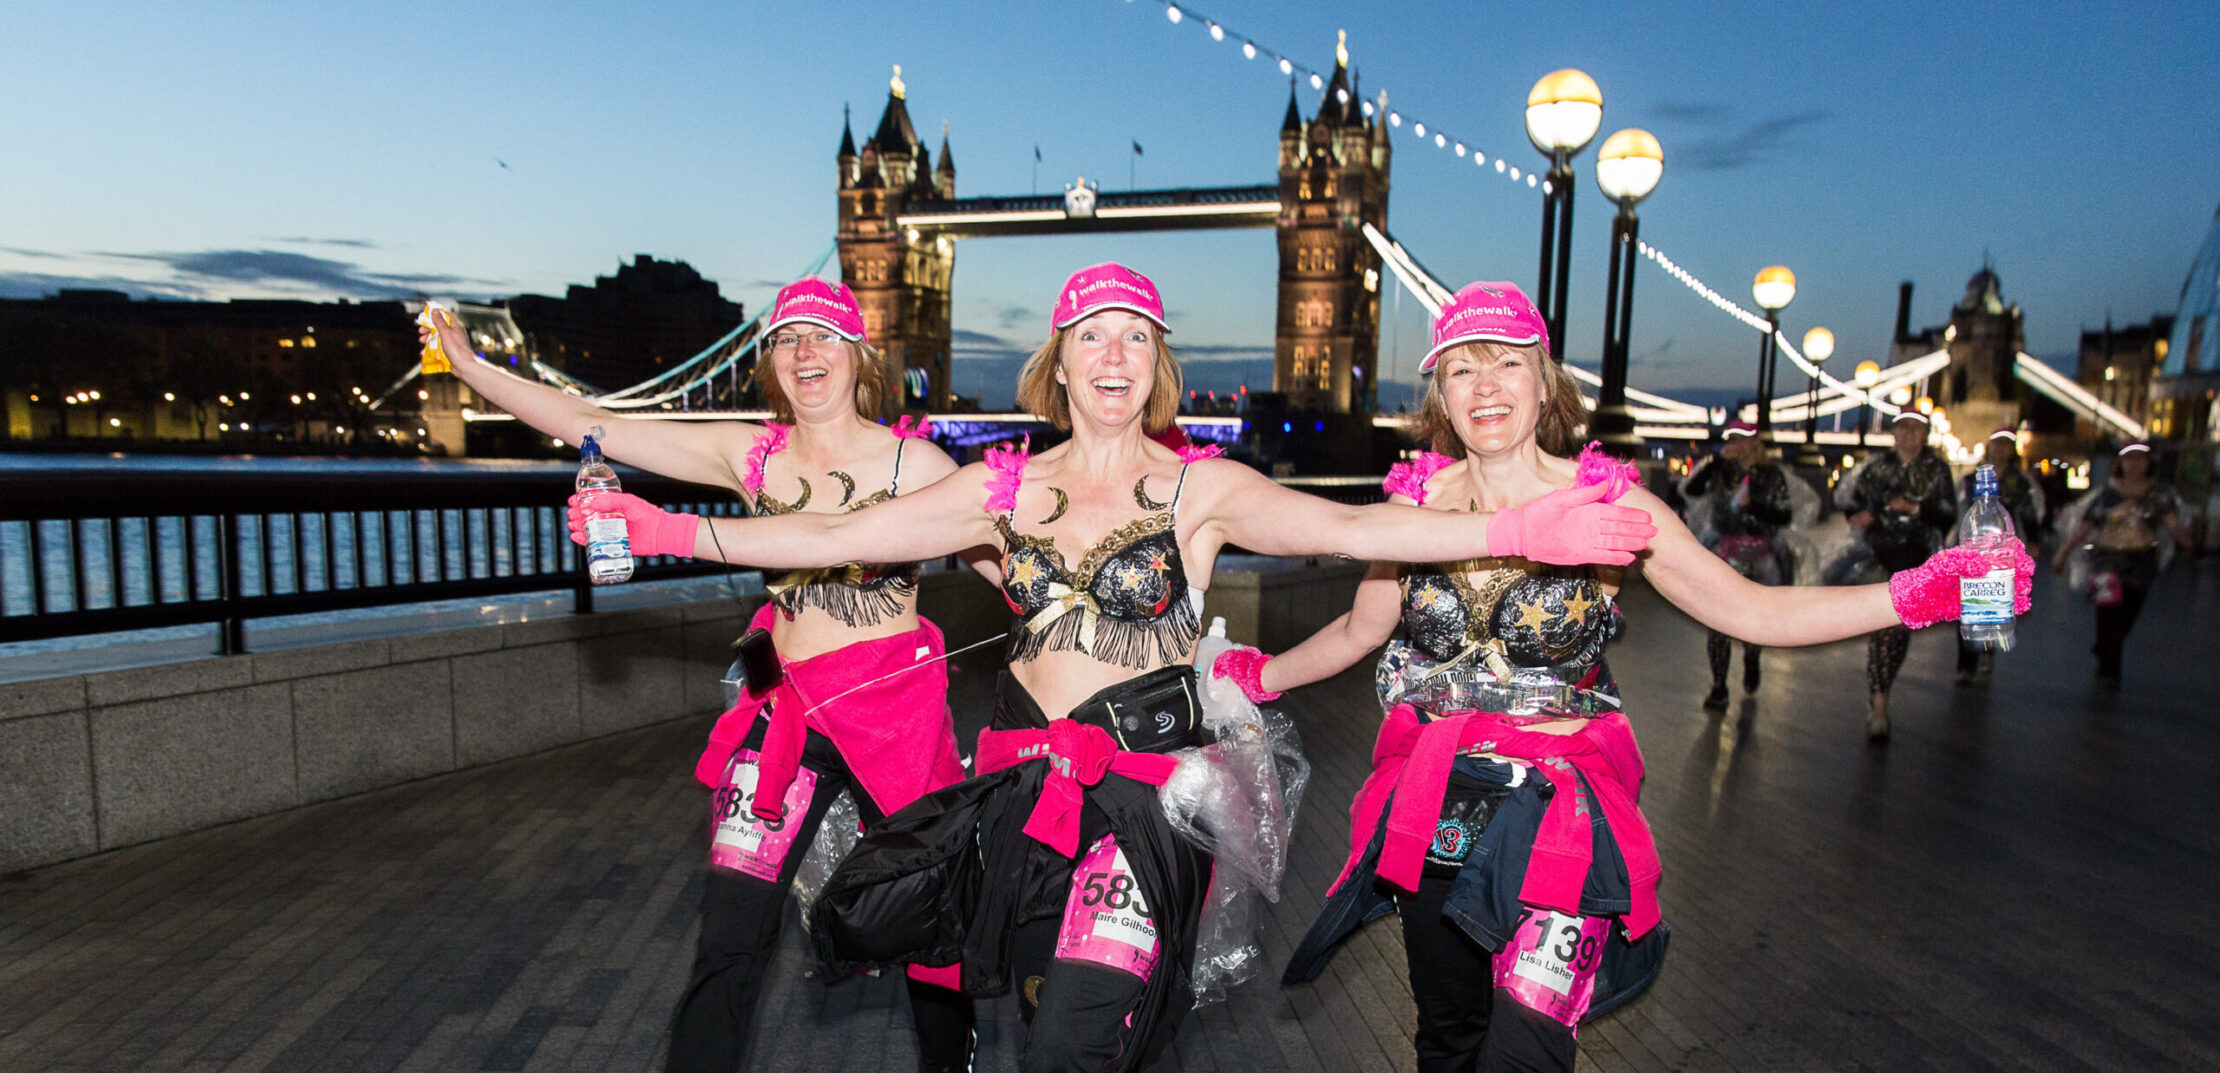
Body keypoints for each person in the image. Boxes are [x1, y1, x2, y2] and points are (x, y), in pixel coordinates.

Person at [562, 263, 1659, 1073]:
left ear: (1158, 364)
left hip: (1141, 804)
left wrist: (1524, 528)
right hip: (1022, 803)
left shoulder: (1200, 487)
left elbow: (1355, 527)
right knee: (1065, 1015)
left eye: (1137, 336)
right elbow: (828, 535)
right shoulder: (998, 489)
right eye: (1093, 335)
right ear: (1060, 363)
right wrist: (667, 529)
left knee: (1075, 1039)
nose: (1116, 355)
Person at [1244, 281, 2034, 1073]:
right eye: (1461, 369)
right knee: (1447, 1038)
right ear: (1440, 396)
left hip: (1555, 818)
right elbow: (1357, 630)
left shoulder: (1609, 505)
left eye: (1507, 363)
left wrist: (1919, 593)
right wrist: (1256, 674)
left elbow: (1752, 609)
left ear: (1545, 381)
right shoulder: (1414, 506)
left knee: (1526, 1052)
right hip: (1438, 802)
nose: (1484, 386)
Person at [423, 278, 983, 1073]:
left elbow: (1011, 565)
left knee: (930, 925)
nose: (805, 351)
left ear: (859, 355)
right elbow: (596, 424)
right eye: (787, 338)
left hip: (895, 718)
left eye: (824, 334)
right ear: (773, 360)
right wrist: (472, 367)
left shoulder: (918, 462)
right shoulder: (751, 452)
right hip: (786, 717)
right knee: (729, 935)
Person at [1833, 411, 1959, 740]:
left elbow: (1948, 514)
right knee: (1883, 631)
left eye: (1916, 429)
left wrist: (1914, 508)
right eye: (1904, 428)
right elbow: (1852, 505)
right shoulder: (1876, 468)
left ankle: (1880, 691)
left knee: (1898, 633)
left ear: (1925, 434)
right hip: (1879, 556)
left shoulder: (1937, 470)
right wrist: (1863, 516)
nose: (1909, 435)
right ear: (1894, 433)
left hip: (1916, 559)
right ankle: (1879, 707)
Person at [1677, 419, 1797, 710]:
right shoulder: (1722, 470)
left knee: (1753, 620)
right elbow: (1691, 489)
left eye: (1742, 438)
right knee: (1718, 621)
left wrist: (1751, 504)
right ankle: (1719, 687)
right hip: (1725, 551)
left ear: (1755, 442)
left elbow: (1784, 515)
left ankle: (1752, 655)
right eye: (1732, 439)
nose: (1737, 444)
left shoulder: (1771, 474)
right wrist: (1716, 461)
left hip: (1761, 554)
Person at [2053, 441, 2192, 688]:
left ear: (2149, 463)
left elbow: (2171, 523)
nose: (2134, 464)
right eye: (2129, 459)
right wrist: (2063, 553)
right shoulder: (2106, 494)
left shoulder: (2158, 495)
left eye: (2139, 459)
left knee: (2128, 613)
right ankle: (2109, 670)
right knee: (2108, 614)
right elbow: (2084, 527)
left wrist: (2186, 540)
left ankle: (2105, 648)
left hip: (2140, 562)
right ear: (2120, 463)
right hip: (2107, 560)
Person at [1954, 429, 2046, 685]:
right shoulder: (1971, 479)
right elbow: (1959, 512)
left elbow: (2030, 514)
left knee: (1993, 602)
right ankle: (1965, 664)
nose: (2001, 449)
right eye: (1997, 443)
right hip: (1972, 550)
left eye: (2006, 444)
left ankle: (1986, 650)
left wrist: (2034, 543)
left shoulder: (2021, 483)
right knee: (1966, 604)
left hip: (2003, 552)